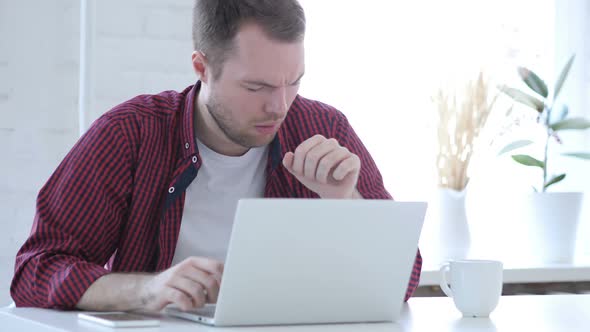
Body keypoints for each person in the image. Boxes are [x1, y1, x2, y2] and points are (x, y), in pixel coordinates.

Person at [11, 0, 422, 312]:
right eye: (256, 87)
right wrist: (147, 289)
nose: (279, 107)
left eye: (293, 82)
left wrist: (345, 203)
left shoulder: (323, 129)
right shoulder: (131, 134)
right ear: (201, 67)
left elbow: (404, 276)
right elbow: (36, 270)